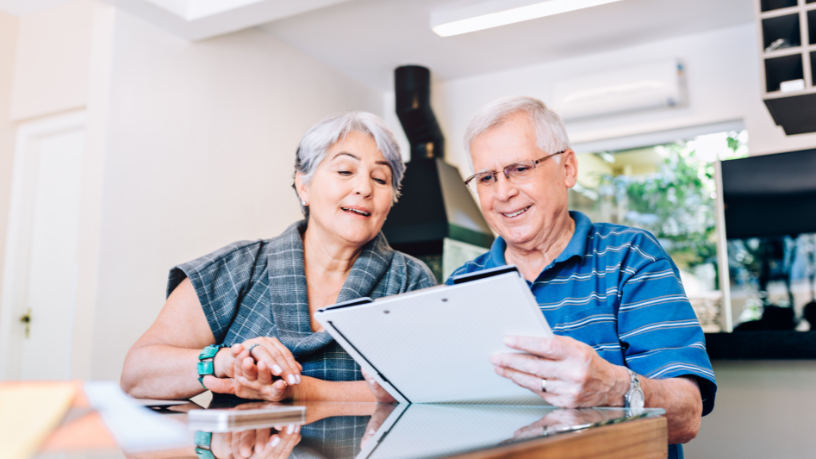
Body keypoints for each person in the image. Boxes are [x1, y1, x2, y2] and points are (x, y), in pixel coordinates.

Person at [448, 96, 716, 458]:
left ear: (568, 169)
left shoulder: (632, 256)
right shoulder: (461, 284)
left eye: (520, 169)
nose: (503, 193)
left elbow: (687, 415)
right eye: (486, 177)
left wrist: (614, 389)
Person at [121, 112, 436, 402]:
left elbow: (429, 387)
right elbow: (136, 375)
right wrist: (227, 360)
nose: (364, 188)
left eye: (381, 179)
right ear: (304, 185)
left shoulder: (410, 280)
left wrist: (301, 391)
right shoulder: (238, 268)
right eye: (344, 170)